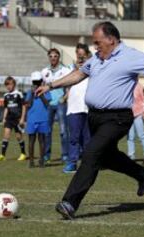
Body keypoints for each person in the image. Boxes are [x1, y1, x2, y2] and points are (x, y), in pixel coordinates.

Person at [36, 21, 144, 219]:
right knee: (107, 156)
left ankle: (70, 202)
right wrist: (51, 85)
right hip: (94, 116)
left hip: (117, 117)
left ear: (111, 39)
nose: (95, 46)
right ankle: (143, 174)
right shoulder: (96, 58)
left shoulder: (130, 56)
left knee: (91, 154)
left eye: (98, 42)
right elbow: (78, 74)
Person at [64, 43, 91, 173]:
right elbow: (64, 81)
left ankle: (87, 164)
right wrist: (76, 69)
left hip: (88, 108)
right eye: (78, 55)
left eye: (83, 55)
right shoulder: (69, 68)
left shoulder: (92, 68)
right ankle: (72, 163)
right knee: (74, 137)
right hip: (74, 108)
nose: (80, 58)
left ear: (87, 55)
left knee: (87, 139)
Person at [41, 48, 71, 163]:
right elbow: (42, 86)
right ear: (48, 57)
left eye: (55, 56)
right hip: (48, 104)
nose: (53, 58)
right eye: (51, 56)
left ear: (59, 58)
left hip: (60, 104)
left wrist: (64, 98)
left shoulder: (65, 70)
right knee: (47, 131)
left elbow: (70, 86)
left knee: (63, 131)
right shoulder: (44, 71)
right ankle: (46, 155)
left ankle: (65, 155)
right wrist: (44, 100)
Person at [0, 76, 27, 161]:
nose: (8, 86)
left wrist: (22, 118)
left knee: (18, 137)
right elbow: (6, 108)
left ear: (14, 85)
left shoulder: (19, 94)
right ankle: (2, 155)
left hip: (17, 119)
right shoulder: (6, 95)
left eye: (10, 84)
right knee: (6, 135)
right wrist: (4, 118)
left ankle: (23, 153)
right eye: (7, 85)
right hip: (9, 118)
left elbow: (24, 106)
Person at [25, 71, 51, 168]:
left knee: (42, 140)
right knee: (31, 140)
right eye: (34, 82)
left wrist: (41, 93)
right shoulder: (29, 92)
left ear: (41, 81)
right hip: (32, 119)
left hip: (43, 118)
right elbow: (28, 104)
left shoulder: (46, 91)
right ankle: (31, 161)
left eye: (38, 82)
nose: (36, 84)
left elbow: (47, 104)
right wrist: (32, 94)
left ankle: (41, 160)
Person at [127, 81, 144, 160]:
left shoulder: (139, 86)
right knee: (130, 136)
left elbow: (143, 100)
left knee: (142, 135)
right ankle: (131, 155)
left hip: (138, 113)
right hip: (128, 114)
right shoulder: (125, 84)